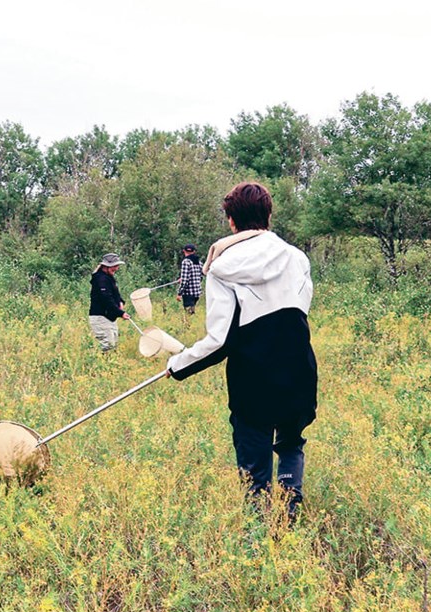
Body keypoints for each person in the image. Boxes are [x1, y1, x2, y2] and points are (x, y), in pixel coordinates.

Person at [166, 182, 317, 520]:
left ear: (231, 221)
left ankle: (258, 528)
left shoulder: (222, 267)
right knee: (291, 442)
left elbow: (219, 340)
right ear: (268, 214)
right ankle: (289, 512)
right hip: (299, 370)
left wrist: (178, 365)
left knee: (254, 455)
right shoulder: (297, 258)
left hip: (254, 376)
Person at [88, 252, 131, 352]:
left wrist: (120, 302)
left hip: (109, 318)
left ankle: (108, 365)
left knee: (113, 345)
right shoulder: (101, 279)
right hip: (100, 318)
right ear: (105, 266)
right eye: (114, 266)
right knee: (108, 346)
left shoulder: (108, 277)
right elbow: (106, 299)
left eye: (117, 266)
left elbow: (115, 294)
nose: (116, 268)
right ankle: (101, 366)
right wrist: (121, 313)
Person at [176, 243, 203, 314]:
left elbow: (185, 281)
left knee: (189, 314)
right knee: (191, 312)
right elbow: (200, 276)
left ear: (184, 251)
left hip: (188, 293)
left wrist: (179, 293)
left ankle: (189, 325)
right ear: (194, 251)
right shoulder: (199, 262)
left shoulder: (186, 262)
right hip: (197, 292)